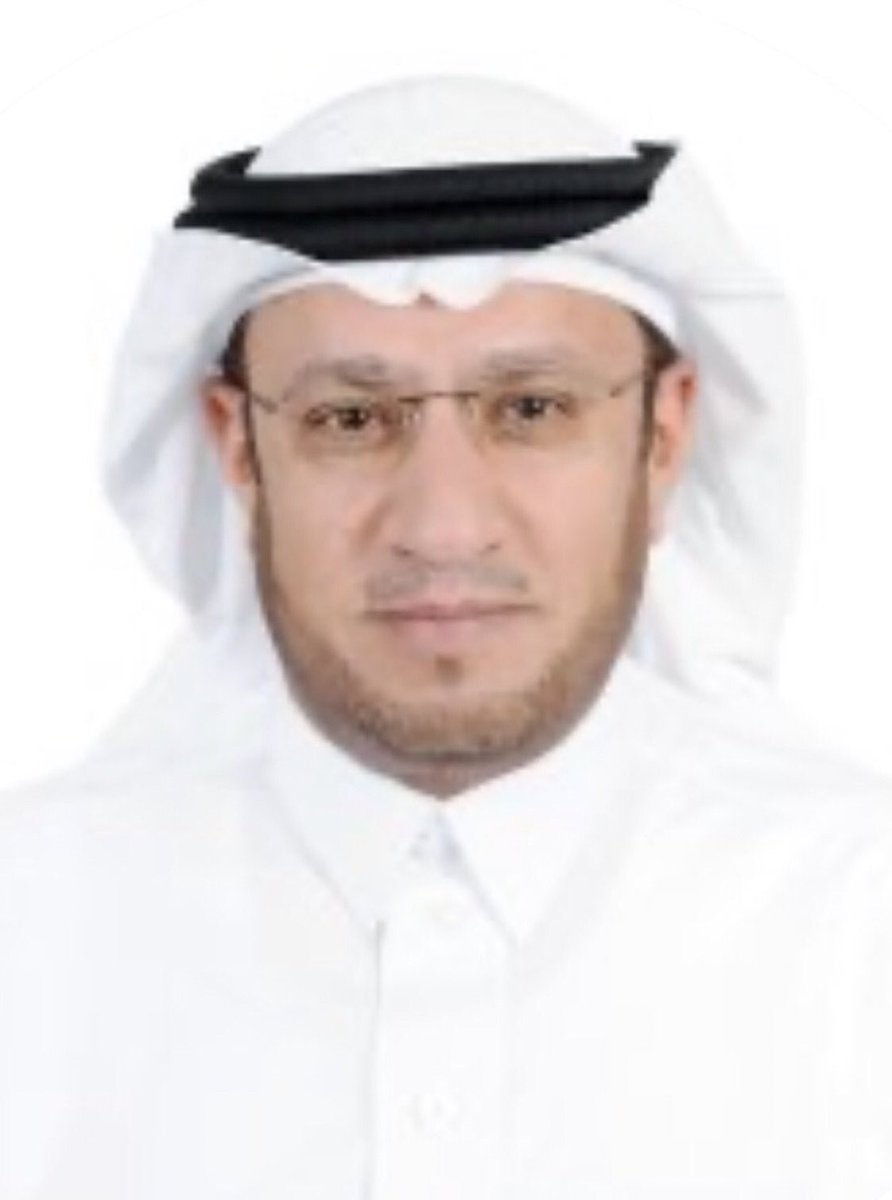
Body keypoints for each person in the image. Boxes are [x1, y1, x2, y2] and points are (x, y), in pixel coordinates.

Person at [1, 74, 890, 1199]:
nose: (443, 525)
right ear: (238, 449)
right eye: (349, 419)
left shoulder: (860, 929)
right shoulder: (32, 932)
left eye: (531, 408)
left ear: (663, 438)